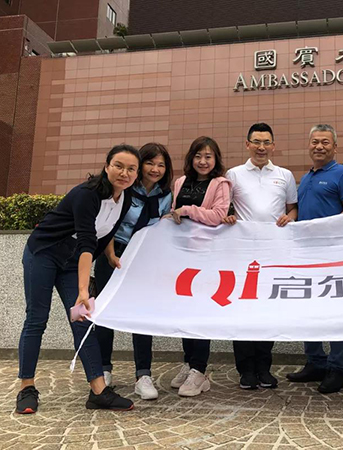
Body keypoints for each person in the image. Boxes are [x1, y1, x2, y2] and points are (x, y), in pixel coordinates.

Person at [16, 144, 140, 414]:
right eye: (119, 166)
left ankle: (99, 392)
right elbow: (86, 241)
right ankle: (27, 387)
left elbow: (107, 230)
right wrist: (84, 290)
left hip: (73, 263)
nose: (124, 173)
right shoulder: (87, 194)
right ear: (107, 166)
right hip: (44, 253)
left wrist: (110, 254)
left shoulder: (126, 197)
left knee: (83, 321)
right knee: (37, 318)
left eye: (131, 169)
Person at [94, 143, 173, 400]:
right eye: (150, 163)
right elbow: (107, 224)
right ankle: (103, 370)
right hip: (112, 253)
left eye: (161, 165)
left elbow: (161, 228)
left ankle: (143, 375)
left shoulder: (165, 195)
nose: (155, 169)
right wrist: (110, 254)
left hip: (143, 258)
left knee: (142, 314)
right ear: (140, 165)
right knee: (105, 311)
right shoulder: (125, 188)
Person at [222, 123, 298, 390]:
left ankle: (264, 368)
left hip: (274, 254)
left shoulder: (285, 175)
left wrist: (290, 218)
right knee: (243, 311)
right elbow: (224, 207)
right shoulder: (234, 174)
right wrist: (228, 217)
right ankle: (245, 370)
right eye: (256, 141)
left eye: (266, 142)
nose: (261, 147)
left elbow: (293, 209)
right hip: (242, 254)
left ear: (273, 146)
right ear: (247, 144)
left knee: (268, 311)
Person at [286, 124, 343, 394]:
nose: (319, 146)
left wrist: (324, 229)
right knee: (309, 310)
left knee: (337, 313)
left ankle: (338, 368)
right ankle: (315, 362)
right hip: (307, 256)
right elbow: (300, 212)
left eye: (325, 142)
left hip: (335, 255)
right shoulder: (305, 178)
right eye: (315, 141)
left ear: (335, 147)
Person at [168, 136, 231, 397]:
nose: (203, 161)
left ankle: (199, 370)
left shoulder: (221, 184)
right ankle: (188, 362)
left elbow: (218, 215)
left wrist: (187, 210)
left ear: (216, 159)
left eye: (208, 156)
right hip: (183, 256)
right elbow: (174, 213)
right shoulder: (180, 182)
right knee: (185, 310)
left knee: (201, 311)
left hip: (207, 257)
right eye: (198, 156)